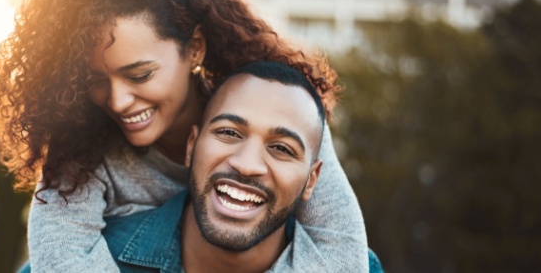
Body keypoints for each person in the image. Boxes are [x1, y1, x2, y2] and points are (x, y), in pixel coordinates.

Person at [0, 0, 367, 271]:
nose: (118, 100)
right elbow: (61, 257)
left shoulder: (278, 111)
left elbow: (342, 251)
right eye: (96, 79)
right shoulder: (82, 143)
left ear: (195, 48)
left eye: (140, 74)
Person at [101, 62, 383, 272]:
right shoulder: (102, 255)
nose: (247, 165)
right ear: (191, 146)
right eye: (229, 133)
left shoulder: (360, 267)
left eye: (282, 148)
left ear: (311, 181)